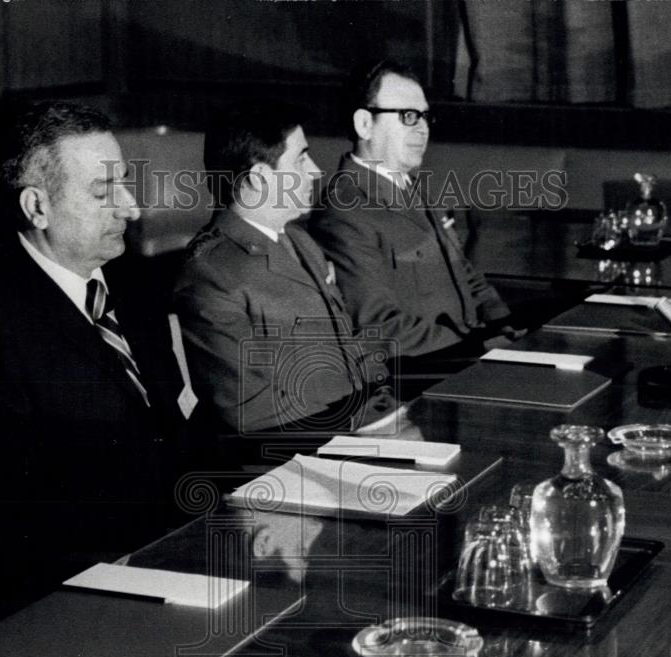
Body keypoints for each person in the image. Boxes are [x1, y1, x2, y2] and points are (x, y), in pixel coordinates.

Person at [0, 101, 204, 614]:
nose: (131, 209)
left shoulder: (132, 282)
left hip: (178, 550)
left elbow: (172, 429)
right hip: (79, 588)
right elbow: (3, 515)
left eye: (125, 184)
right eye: (104, 192)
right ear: (37, 207)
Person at [174, 100, 393, 435]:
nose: (316, 171)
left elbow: (348, 347)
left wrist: (387, 411)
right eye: (301, 158)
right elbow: (248, 407)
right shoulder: (211, 273)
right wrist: (360, 425)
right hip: (286, 457)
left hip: (352, 428)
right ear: (260, 178)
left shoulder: (298, 240)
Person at [312, 60, 515, 360]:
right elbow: (378, 327)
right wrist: (476, 346)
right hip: (424, 375)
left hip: (468, 354)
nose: (423, 129)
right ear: (364, 125)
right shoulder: (345, 211)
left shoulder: (416, 187)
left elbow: (466, 276)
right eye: (408, 116)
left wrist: (504, 325)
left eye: (424, 117)